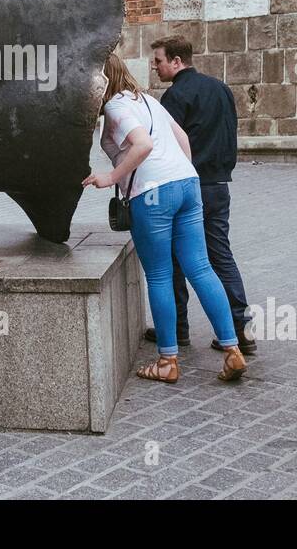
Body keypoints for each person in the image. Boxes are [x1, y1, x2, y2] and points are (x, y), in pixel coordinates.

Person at [83, 53, 248, 384]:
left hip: (152, 193)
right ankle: (233, 351)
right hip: (188, 184)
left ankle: (167, 361)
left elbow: (141, 145)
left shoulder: (116, 107)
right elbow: (183, 140)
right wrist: (179, 175)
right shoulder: (148, 100)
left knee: (159, 276)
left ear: (101, 80)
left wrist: (112, 177)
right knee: (201, 268)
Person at [143, 35, 255, 355]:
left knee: (175, 258)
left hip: (188, 186)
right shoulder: (220, 88)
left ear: (177, 62)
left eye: (159, 61)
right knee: (221, 256)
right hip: (219, 186)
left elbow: (164, 148)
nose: (155, 67)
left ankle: (178, 329)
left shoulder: (175, 97)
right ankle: (240, 329)